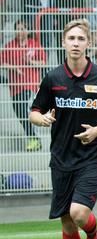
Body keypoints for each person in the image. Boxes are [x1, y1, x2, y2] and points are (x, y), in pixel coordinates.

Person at [30, 19, 97, 239]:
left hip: (92, 156)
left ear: (88, 44)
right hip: (61, 158)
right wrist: (42, 119)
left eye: (81, 39)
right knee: (67, 222)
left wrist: (96, 131)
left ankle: (94, 238)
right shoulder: (53, 78)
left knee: (79, 213)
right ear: (63, 43)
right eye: (72, 39)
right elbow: (34, 111)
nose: (76, 43)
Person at [2, 19, 47, 151]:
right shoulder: (10, 46)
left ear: (27, 30)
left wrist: (31, 62)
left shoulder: (34, 44)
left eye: (23, 28)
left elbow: (43, 62)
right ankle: (34, 138)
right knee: (20, 113)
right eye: (18, 29)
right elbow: (2, 62)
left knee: (23, 110)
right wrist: (14, 68)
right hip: (15, 87)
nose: (20, 31)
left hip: (30, 84)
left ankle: (34, 139)